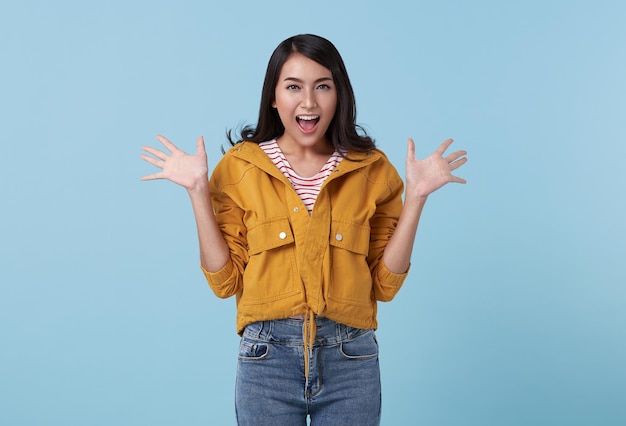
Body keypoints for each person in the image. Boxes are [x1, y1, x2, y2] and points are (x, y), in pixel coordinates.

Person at [140, 34, 467, 426]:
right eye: (293, 87)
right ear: (274, 98)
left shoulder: (372, 169)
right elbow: (225, 282)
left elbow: (385, 285)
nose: (309, 102)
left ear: (339, 95)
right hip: (267, 360)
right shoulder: (240, 168)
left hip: (351, 358)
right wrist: (197, 191)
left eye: (322, 87)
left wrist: (416, 198)